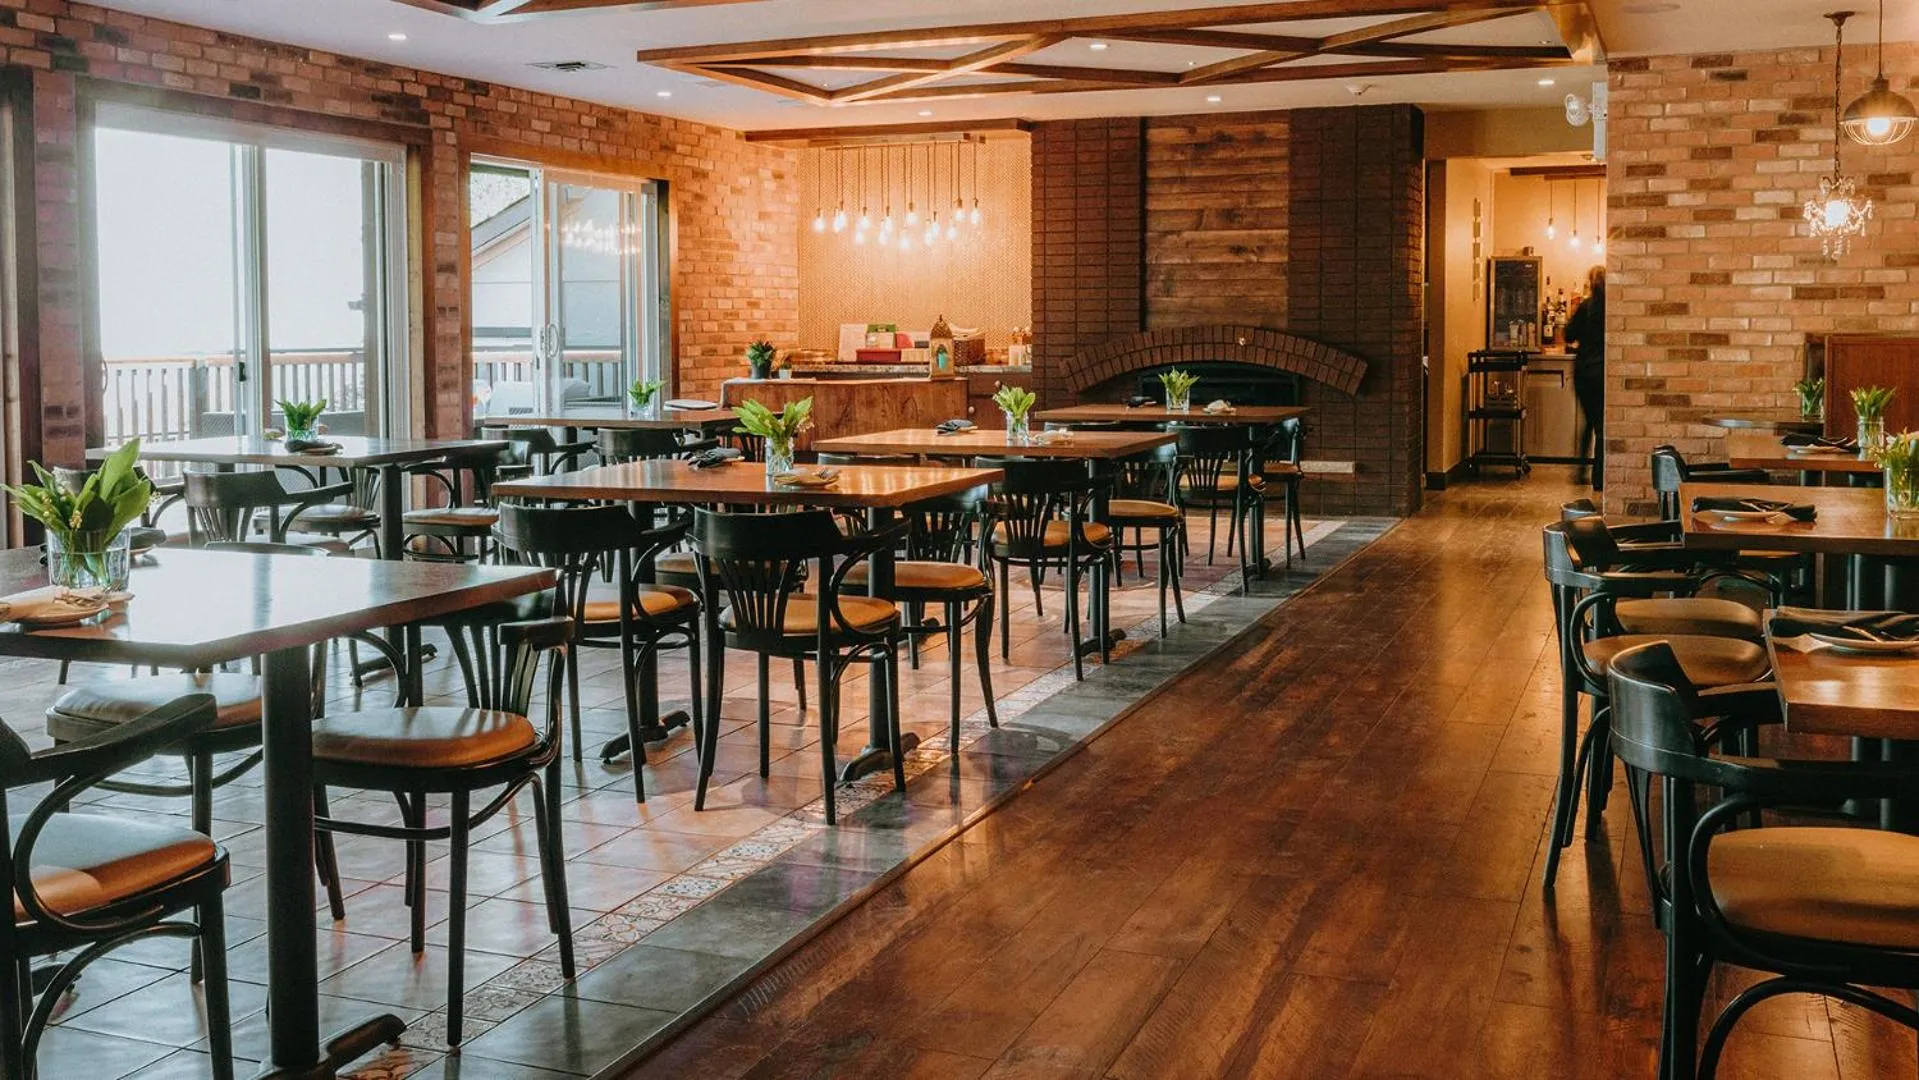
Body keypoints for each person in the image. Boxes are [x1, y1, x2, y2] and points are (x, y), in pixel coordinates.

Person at [1564, 265, 1607, 490]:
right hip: (1603, 372)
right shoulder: (1612, 308)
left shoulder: (1585, 307)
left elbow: (1568, 335)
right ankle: (1599, 477)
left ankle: (1580, 470)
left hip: (1583, 373)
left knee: (1588, 422)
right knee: (1602, 425)